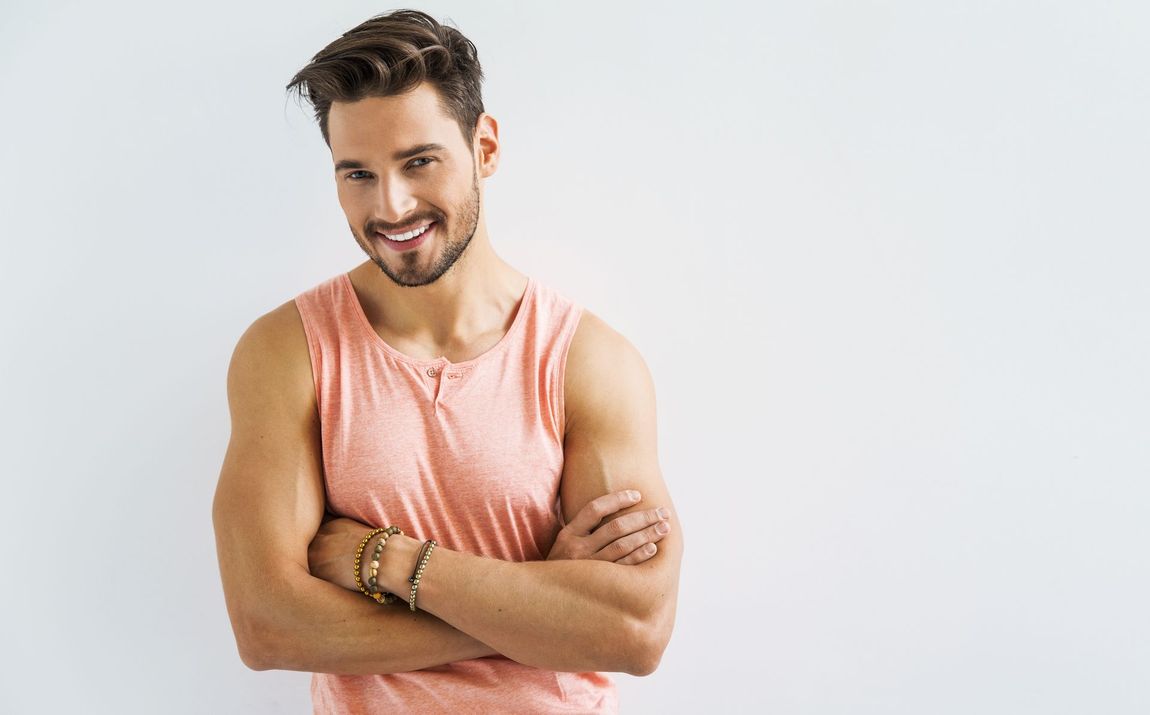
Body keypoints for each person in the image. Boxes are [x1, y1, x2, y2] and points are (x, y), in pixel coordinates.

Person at [211, 9, 683, 713]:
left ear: (484, 146)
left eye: (418, 161)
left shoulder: (587, 360)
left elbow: (634, 628)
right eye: (357, 174)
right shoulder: (288, 353)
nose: (390, 205)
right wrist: (535, 603)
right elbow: (267, 625)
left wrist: (388, 561)